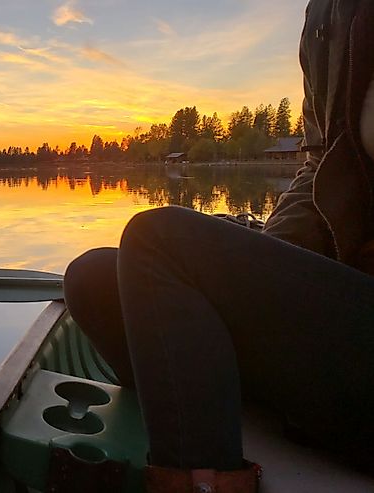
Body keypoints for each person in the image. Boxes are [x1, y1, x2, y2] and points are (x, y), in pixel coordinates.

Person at [63, 1, 374, 491]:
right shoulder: (327, 15)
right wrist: (265, 259)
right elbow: (318, 164)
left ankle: (201, 477)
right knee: (94, 277)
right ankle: (194, 431)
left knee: (157, 239)